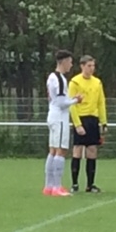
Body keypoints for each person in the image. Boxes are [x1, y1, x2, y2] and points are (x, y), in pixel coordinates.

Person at [44, 50, 84, 197]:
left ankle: (48, 186)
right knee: (61, 150)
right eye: (70, 62)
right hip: (60, 117)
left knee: (53, 150)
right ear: (64, 61)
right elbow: (61, 103)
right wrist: (75, 100)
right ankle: (57, 186)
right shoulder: (60, 79)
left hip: (52, 115)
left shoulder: (51, 77)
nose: (71, 65)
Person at [68, 55, 107, 193]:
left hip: (93, 119)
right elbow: (72, 104)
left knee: (92, 150)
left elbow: (101, 103)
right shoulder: (75, 82)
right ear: (82, 66)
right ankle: (74, 184)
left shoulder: (97, 82)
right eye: (89, 66)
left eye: (93, 66)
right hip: (81, 117)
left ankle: (90, 185)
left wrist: (103, 122)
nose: (92, 69)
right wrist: (77, 124)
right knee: (77, 150)